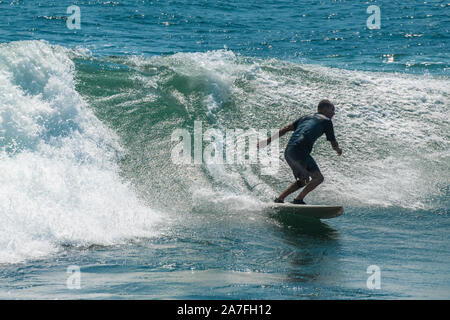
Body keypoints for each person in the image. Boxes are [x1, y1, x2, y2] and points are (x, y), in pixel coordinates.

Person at [257, 99, 342, 204]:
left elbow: (286, 128)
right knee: (318, 178)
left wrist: (267, 141)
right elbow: (333, 142)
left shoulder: (305, 117)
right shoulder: (326, 121)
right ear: (324, 109)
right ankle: (298, 200)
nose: (333, 113)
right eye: (332, 109)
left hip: (289, 152)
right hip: (300, 150)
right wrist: (338, 150)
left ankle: (279, 199)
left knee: (304, 180)